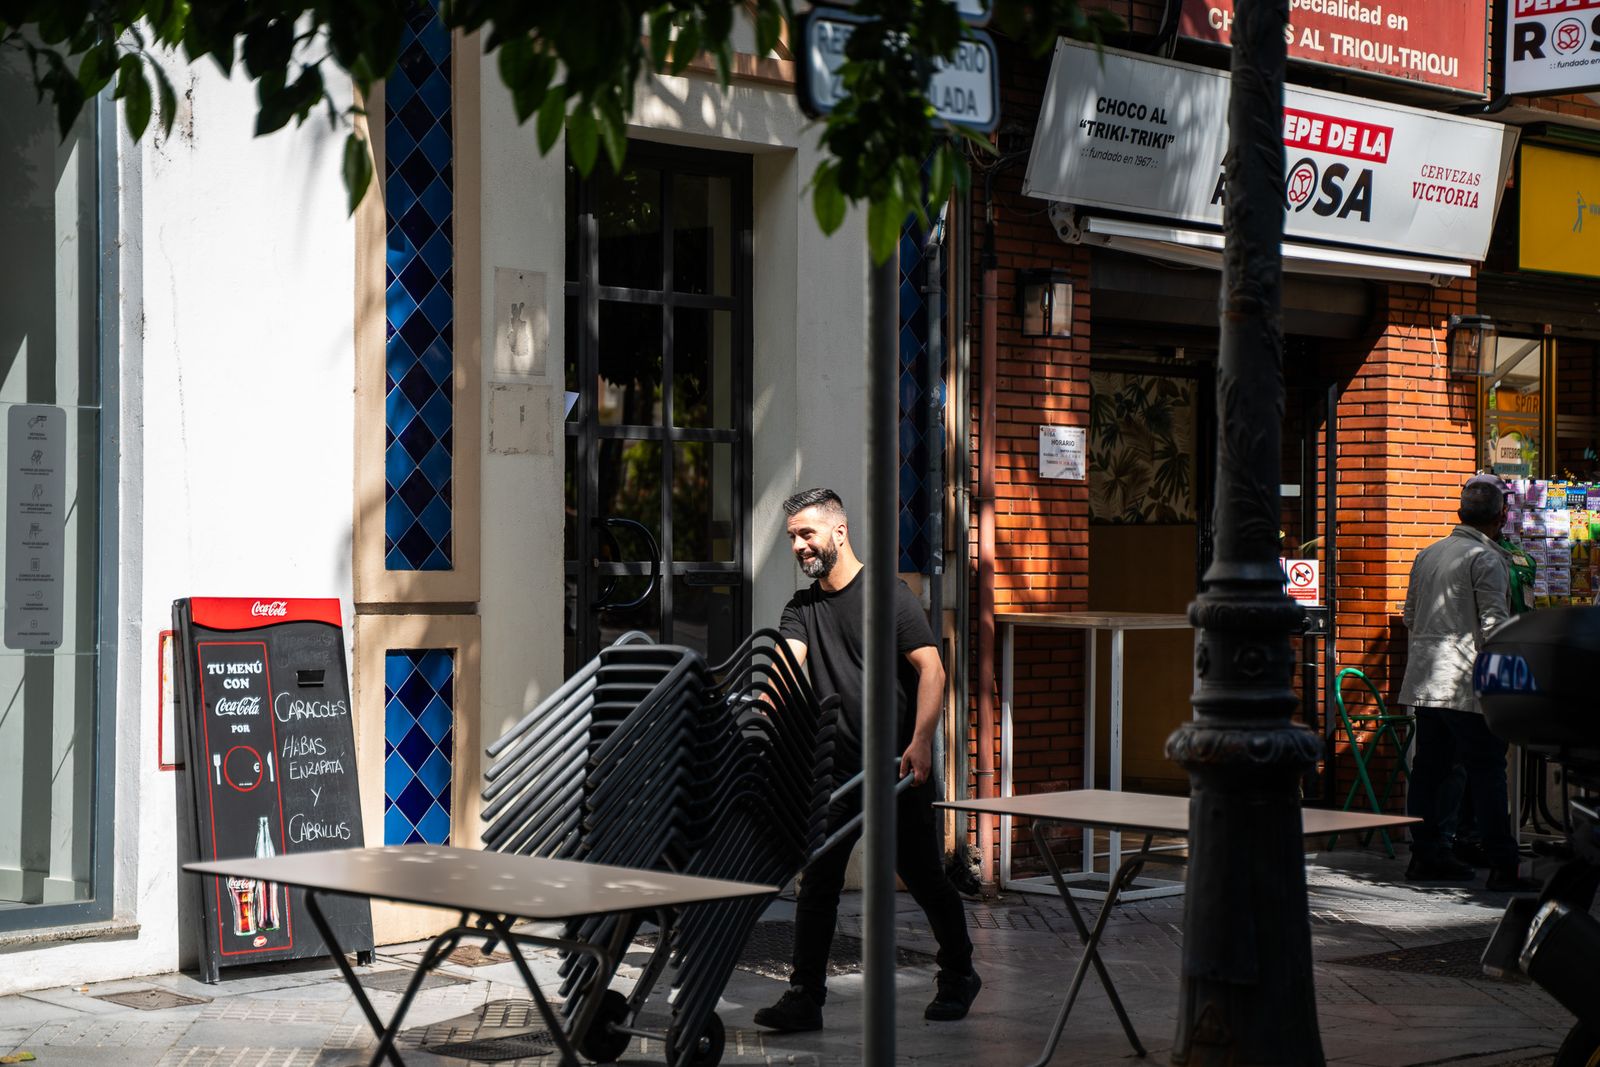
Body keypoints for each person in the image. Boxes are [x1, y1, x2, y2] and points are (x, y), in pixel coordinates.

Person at [752, 487, 981, 1032]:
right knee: (820, 878)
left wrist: (922, 742)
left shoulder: (887, 596)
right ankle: (805, 996)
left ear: (839, 530)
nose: (799, 547)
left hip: (899, 767)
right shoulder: (802, 608)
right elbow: (783, 675)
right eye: (792, 538)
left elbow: (932, 670)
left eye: (807, 534)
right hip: (837, 768)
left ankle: (959, 972)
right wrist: (760, 719)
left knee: (923, 875)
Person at [1398, 476, 1539, 892]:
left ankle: (1426, 855)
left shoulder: (1427, 555)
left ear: (1461, 514)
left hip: (1425, 679)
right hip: (1465, 681)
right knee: (1488, 770)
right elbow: (1494, 625)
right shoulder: (1486, 558)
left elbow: (1409, 615)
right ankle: (1503, 864)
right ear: (1502, 516)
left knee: (1429, 770)